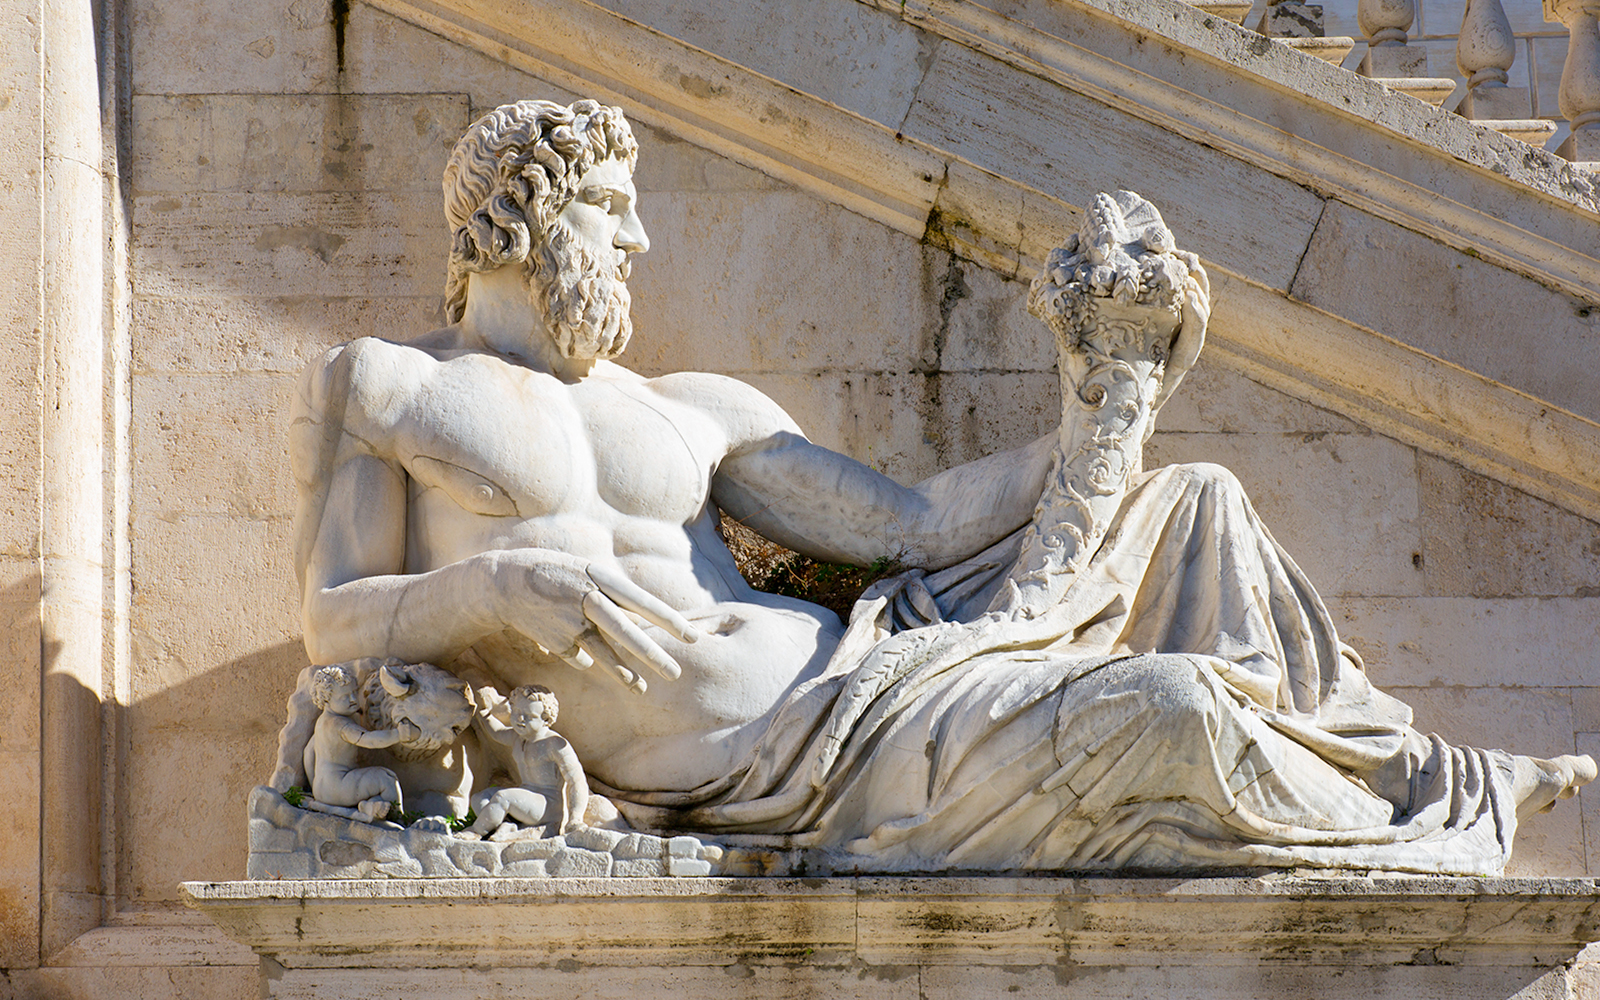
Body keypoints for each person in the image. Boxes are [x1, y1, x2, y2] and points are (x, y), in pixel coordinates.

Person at [290, 99, 1591, 873]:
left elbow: (920, 525)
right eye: (612, 207)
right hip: (756, 763)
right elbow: (335, 617)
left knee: (1191, 498)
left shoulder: (690, 411)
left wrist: (1102, 388)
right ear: (516, 219)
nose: (637, 238)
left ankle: (1406, 775)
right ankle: (1427, 812)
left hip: (878, 680)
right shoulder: (395, 386)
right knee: (1175, 706)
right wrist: (498, 582)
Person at [464, 685, 589, 838]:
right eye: (516, 712)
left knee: (504, 798)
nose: (519, 719)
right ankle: (509, 825)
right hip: (525, 796)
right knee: (480, 798)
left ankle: (476, 832)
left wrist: (575, 818)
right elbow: (497, 732)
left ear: (546, 719)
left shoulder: (554, 744)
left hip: (547, 805)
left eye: (529, 716)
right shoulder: (518, 737)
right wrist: (484, 712)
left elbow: (577, 781)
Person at [305, 663, 420, 821]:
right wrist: (398, 734)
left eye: (354, 692)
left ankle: (369, 806)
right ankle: (398, 821)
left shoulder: (321, 723)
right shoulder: (341, 725)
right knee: (386, 778)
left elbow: (308, 754)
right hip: (340, 785)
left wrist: (315, 786)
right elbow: (369, 740)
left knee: (372, 784)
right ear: (326, 700)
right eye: (345, 697)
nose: (353, 699)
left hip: (321, 789)